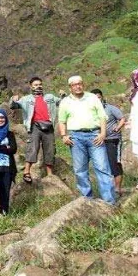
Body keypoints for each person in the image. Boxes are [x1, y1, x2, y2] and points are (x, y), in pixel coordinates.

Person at [57, 75, 116, 205]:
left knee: (102, 168)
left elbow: (102, 116)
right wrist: (63, 135)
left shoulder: (92, 98)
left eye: (80, 83)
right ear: (70, 87)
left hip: (95, 135)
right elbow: (61, 121)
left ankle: (109, 202)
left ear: (83, 84)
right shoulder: (65, 102)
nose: (78, 86)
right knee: (80, 170)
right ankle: (87, 200)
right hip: (76, 138)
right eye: (74, 85)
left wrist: (103, 133)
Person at [10, 77, 61, 182]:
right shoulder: (26, 99)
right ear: (31, 86)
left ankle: (50, 174)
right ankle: (26, 171)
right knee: (32, 148)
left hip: (48, 126)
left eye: (40, 84)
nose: (38, 86)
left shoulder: (50, 97)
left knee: (50, 149)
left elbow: (62, 102)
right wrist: (13, 99)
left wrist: (63, 95)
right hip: (34, 126)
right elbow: (14, 106)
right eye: (36, 85)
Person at [90, 88, 126, 195]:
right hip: (98, 141)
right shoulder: (90, 111)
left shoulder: (110, 108)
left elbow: (122, 118)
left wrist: (118, 127)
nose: (97, 100)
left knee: (114, 163)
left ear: (102, 97)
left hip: (112, 139)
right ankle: (106, 189)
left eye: (99, 97)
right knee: (102, 165)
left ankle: (117, 188)